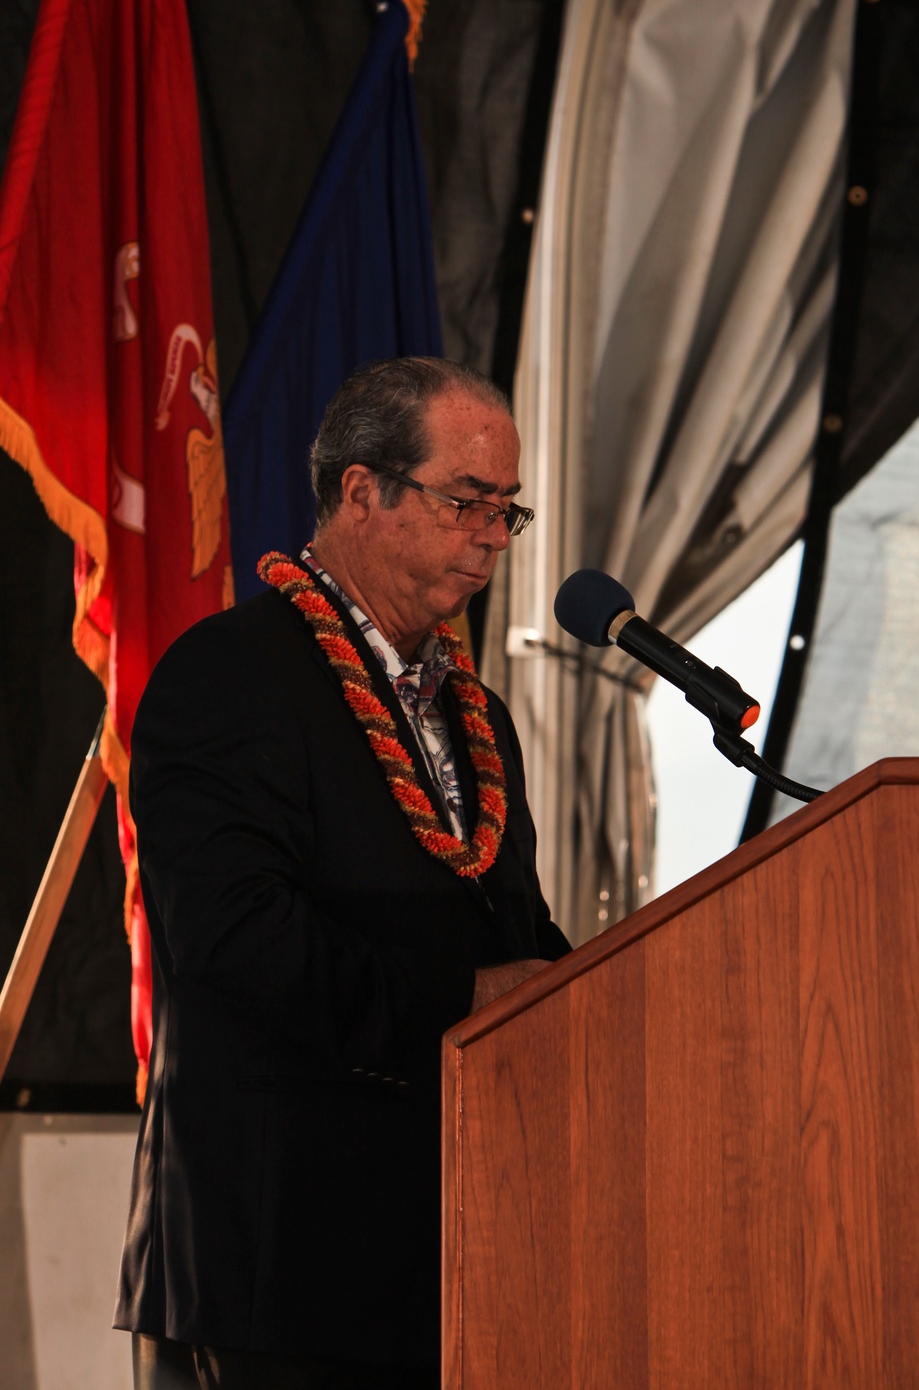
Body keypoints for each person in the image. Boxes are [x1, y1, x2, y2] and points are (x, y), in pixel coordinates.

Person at [114, 357, 571, 1389]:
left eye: (509, 510)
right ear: (362, 491)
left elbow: (516, 939)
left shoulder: (474, 713)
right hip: (282, 1267)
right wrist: (464, 998)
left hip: (457, 1256)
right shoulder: (232, 672)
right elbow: (235, 942)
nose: (494, 536)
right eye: (467, 502)